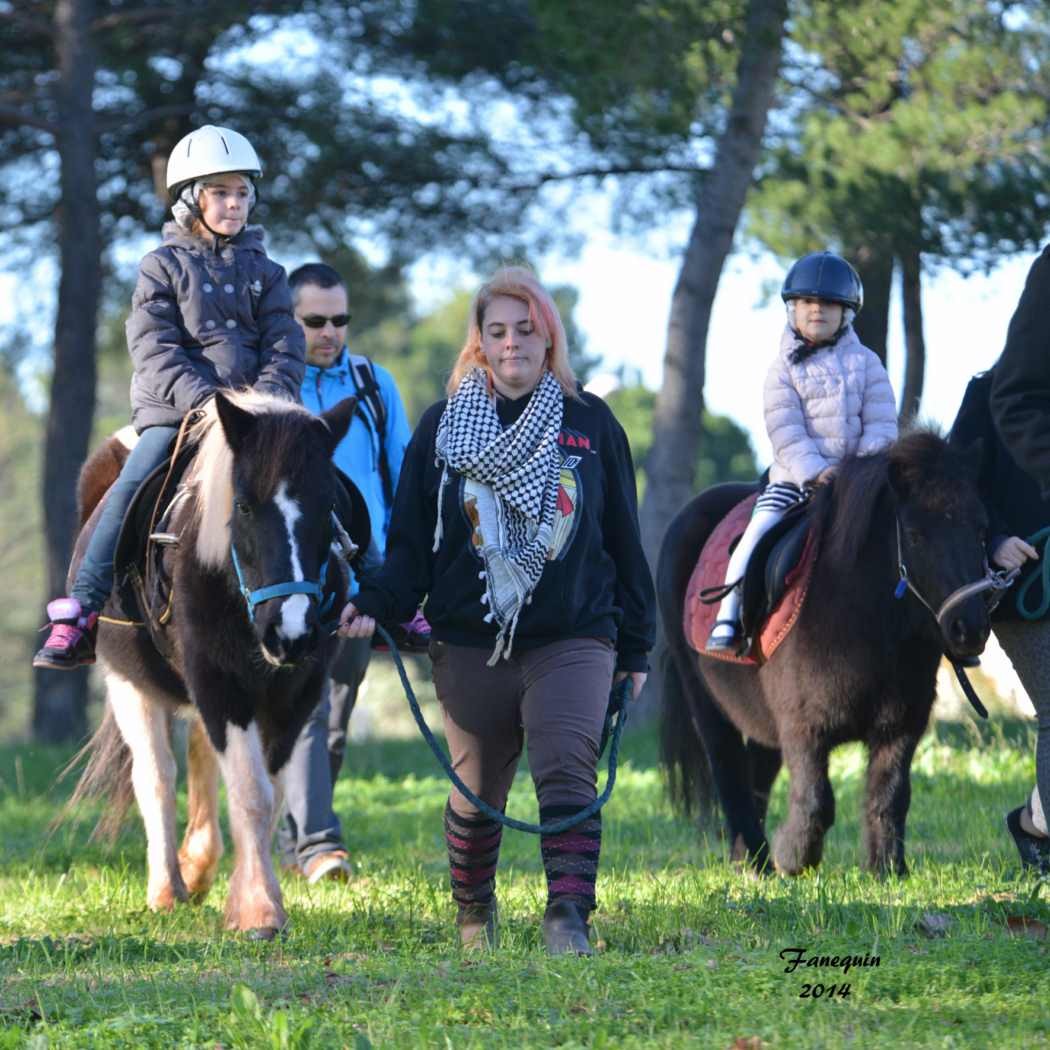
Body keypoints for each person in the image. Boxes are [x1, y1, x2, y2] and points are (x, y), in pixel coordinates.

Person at [337, 266, 655, 954]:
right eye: (497, 331)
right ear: (479, 342)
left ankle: (568, 919)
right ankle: (474, 915)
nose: (512, 343)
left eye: (525, 329)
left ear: (549, 337)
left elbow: (624, 540)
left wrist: (637, 648)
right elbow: (411, 548)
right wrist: (374, 602)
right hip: (468, 637)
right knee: (477, 792)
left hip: (574, 633)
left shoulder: (591, 423)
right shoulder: (442, 429)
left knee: (568, 764)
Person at [33, 125, 304, 670]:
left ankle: (372, 592)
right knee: (128, 487)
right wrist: (205, 404)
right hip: (180, 415)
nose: (234, 204)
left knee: (324, 481)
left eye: (242, 193)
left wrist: (267, 404)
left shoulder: (269, 273)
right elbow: (155, 347)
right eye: (220, 193)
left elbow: (285, 342)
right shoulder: (160, 267)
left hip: (256, 419)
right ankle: (81, 611)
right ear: (191, 200)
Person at [275, 262, 412, 883]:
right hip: (297, 580)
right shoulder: (272, 386)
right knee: (304, 707)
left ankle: (291, 835)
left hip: (364, 577)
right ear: (290, 318)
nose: (329, 332)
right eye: (314, 321)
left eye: (339, 319)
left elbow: (405, 475)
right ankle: (320, 847)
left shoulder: (374, 384)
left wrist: (400, 575)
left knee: (334, 717)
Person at [706, 250, 898, 653]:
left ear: (846, 313)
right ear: (792, 309)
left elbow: (881, 425)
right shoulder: (781, 369)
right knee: (756, 535)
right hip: (796, 480)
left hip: (856, 483)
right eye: (808, 302)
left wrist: (856, 473)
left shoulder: (868, 364)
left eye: (829, 303)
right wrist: (815, 472)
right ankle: (730, 616)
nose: (817, 310)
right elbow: (785, 429)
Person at [986, 244, 1050, 872]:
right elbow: (955, 498)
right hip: (1029, 576)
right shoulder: (986, 398)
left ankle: (1035, 821)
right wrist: (997, 538)